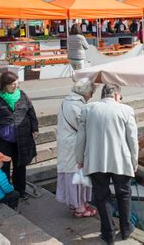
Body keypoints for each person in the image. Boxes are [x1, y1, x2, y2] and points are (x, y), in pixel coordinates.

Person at [75, 84, 138, 243]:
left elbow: (81, 137)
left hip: (96, 159)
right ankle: (125, 228)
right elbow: (132, 139)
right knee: (124, 194)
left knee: (102, 196)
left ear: (103, 95)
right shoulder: (126, 110)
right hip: (120, 159)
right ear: (116, 95)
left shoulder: (88, 109)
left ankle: (108, 232)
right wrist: (134, 160)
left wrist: (79, 159)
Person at [0, 71, 39, 199]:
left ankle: (20, 191)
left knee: (20, 166)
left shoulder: (22, 95)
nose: (16, 86)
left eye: (16, 83)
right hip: (2, 140)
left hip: (22, 138)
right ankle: (5, 192)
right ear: (4, 85)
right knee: (3, 166)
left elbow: (31, 111)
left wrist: (34, 128)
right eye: (12, 84)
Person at [56, 78, 97, 218]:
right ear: (86, 92)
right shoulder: (77, 106)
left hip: (66, 142)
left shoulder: (66, 101)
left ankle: (77, 204)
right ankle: (80, 207)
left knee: (72, 174)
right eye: (91, 93)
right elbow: (83, 126)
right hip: (74, 144)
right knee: (77, 175)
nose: (91, 96)